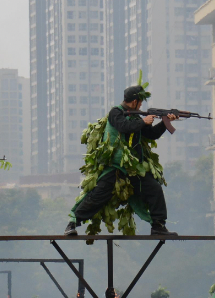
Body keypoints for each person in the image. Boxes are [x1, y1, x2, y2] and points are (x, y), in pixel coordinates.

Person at [64, 81, 178, 237]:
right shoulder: (116, 113)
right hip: (116, 168)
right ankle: (72, 224)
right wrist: (143, 121)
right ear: (134, 101)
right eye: (139, 102)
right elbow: (124, 127)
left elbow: (151, 135)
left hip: (133, 169)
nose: (140, 106)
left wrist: (166, 122)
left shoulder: (137, 116)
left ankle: (158, 226)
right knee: (97, 197)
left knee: (154, 189)